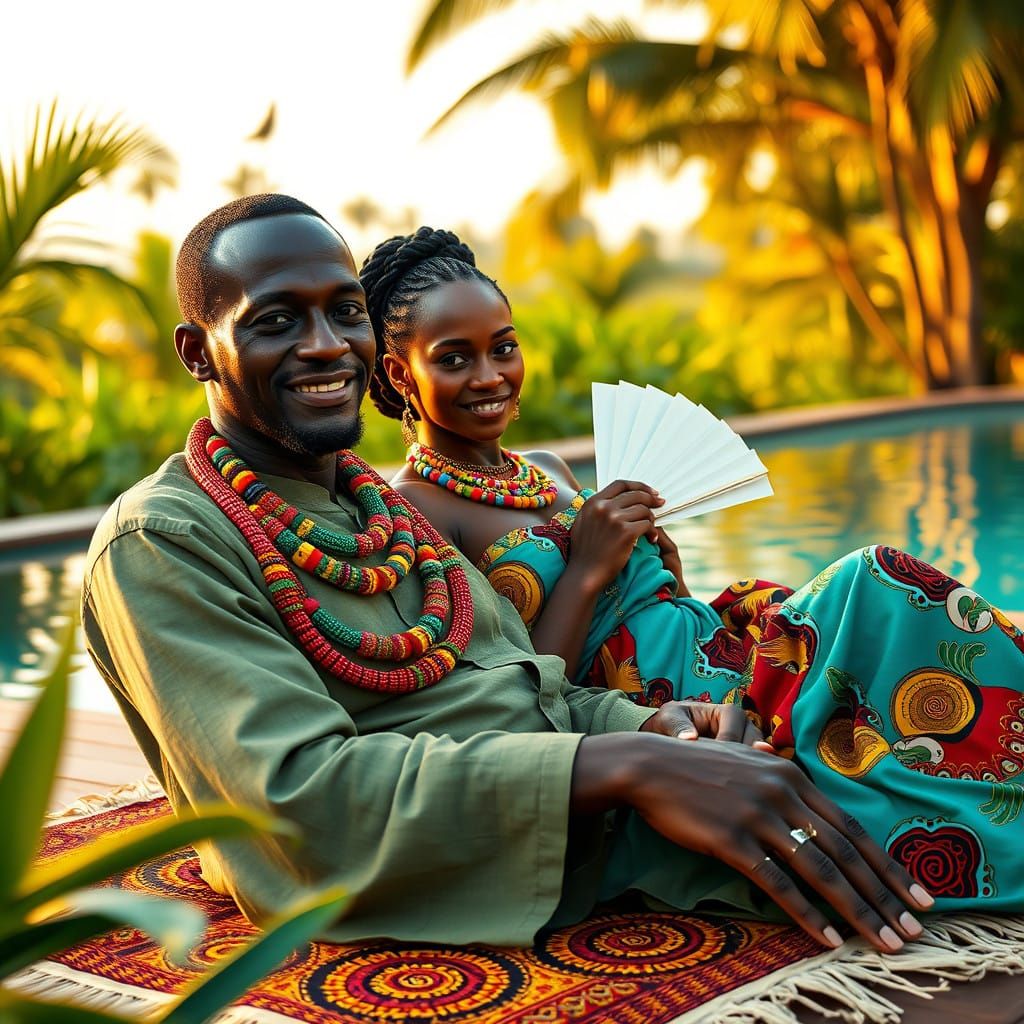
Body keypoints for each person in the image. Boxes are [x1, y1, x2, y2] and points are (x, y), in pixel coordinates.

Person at [83, 194, 941, 957]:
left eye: (345, 312)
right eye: (276, 322)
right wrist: (627, 769)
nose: (326, 346)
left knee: (891, 719)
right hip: (506, 841)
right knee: (906, 807)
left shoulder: (377, 509)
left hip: (583, 789)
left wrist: (667, 730)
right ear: (199, 353)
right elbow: (302, 806)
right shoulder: (165, 541)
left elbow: (530, 685)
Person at [360, 224, 1024, 910]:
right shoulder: (417, 512)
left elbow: (651, 602)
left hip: (715, 645)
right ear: (399, 372)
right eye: (454, 359)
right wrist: (588, 571)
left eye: (503, 348)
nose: (490, 376)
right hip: (658, 715)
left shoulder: (548, 469)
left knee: (899, 621)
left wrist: (657, 570)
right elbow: (509, 700)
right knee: (873, 582)